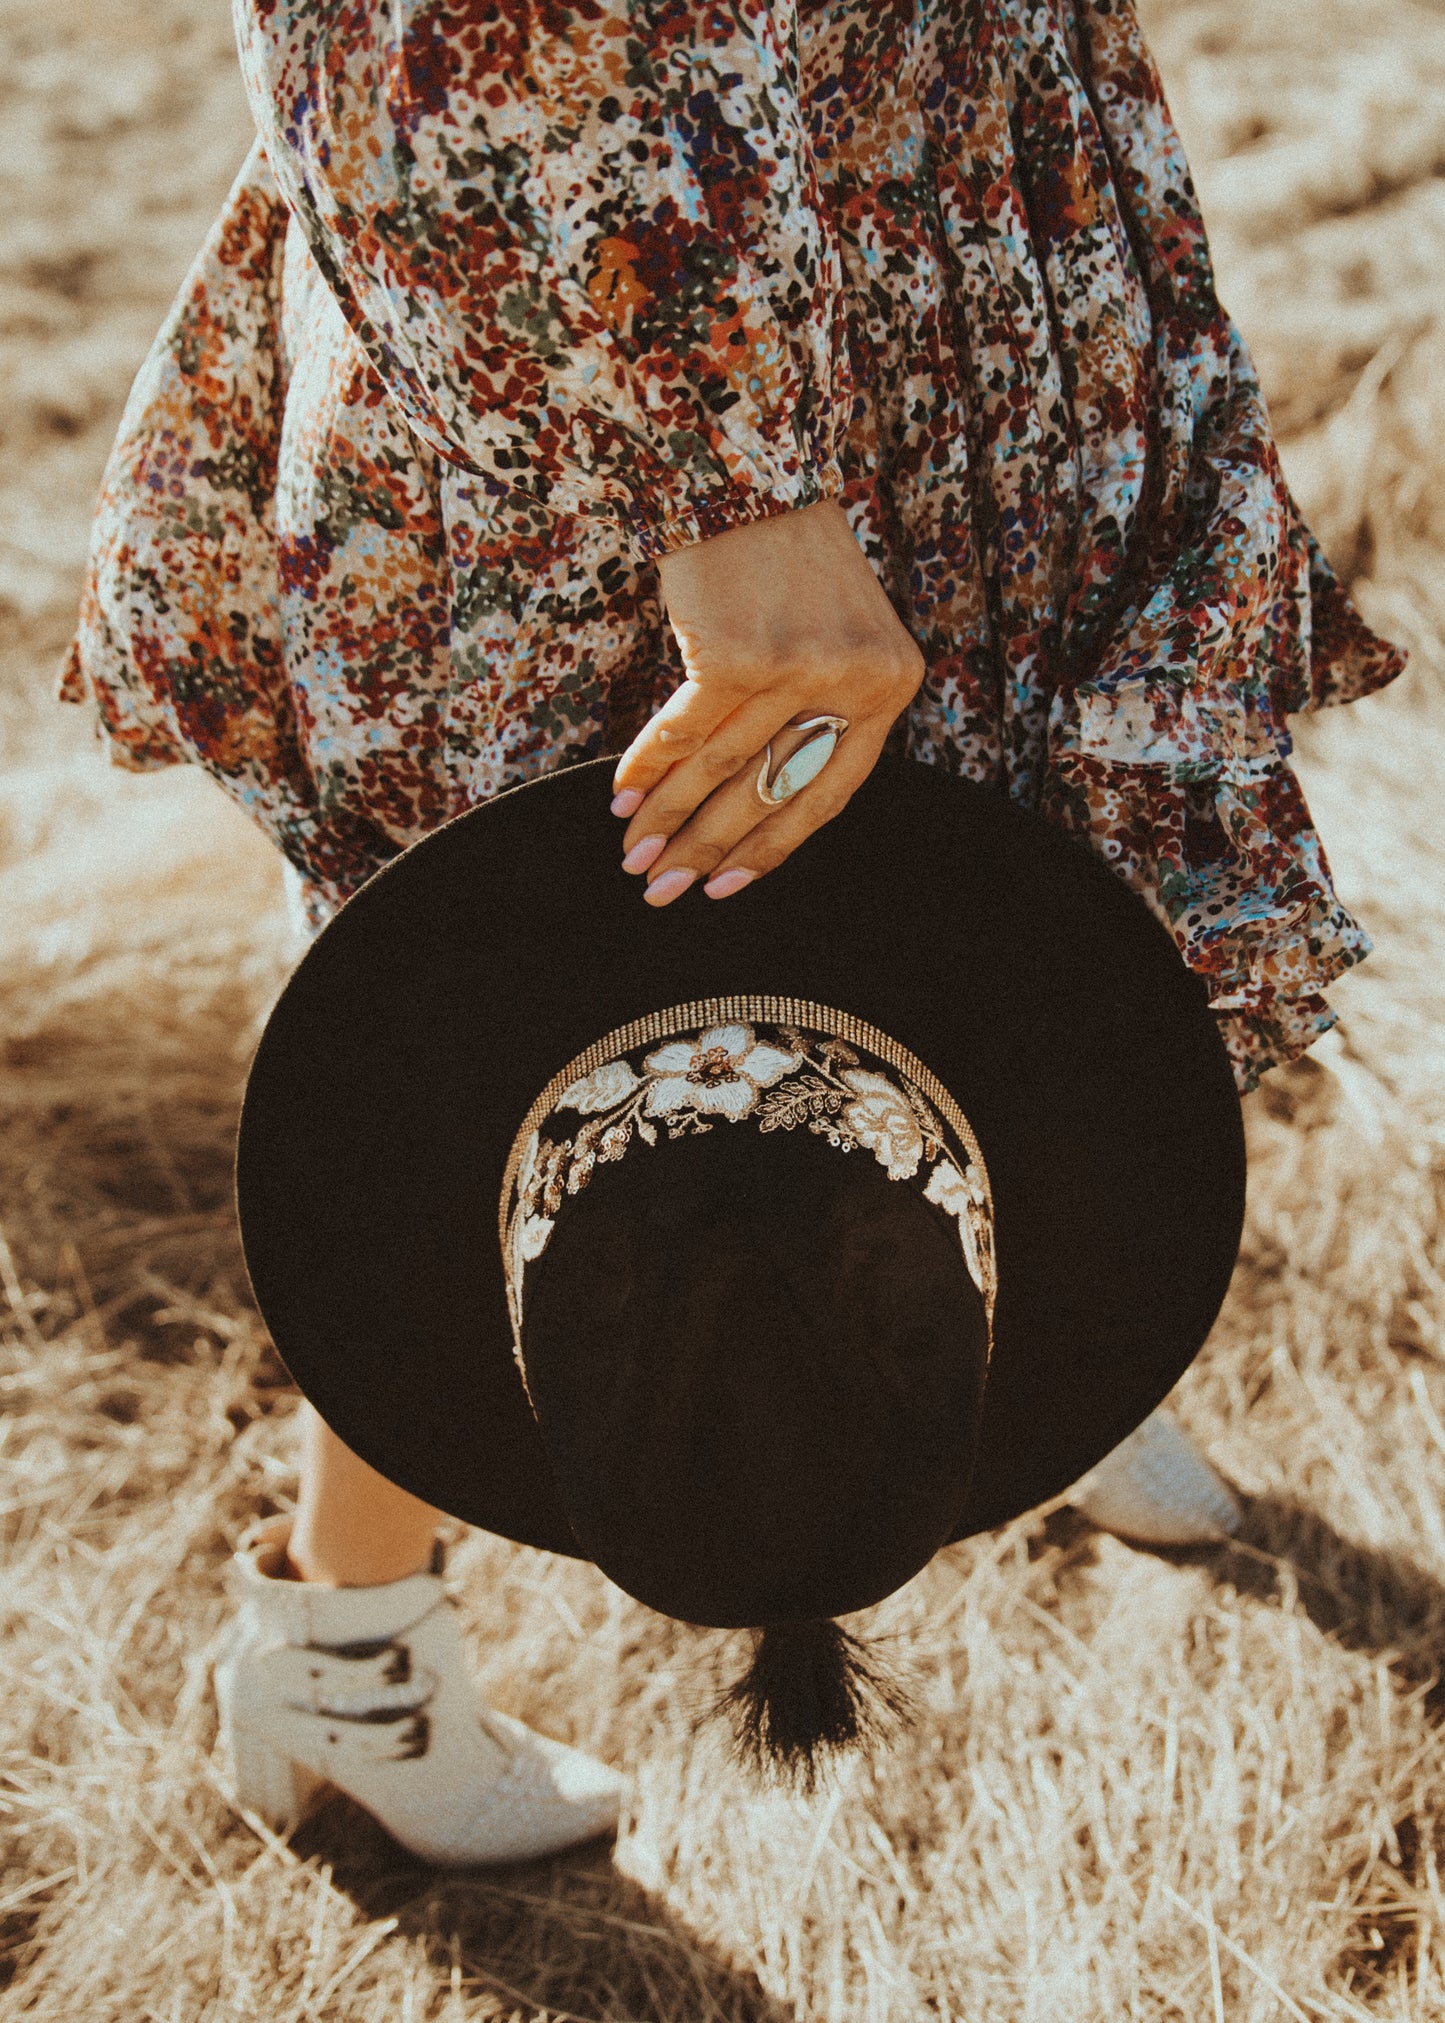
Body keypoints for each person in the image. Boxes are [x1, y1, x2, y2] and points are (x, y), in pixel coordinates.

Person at [62, 0, 1403, 1861]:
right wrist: (725, 473)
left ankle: (1009, 1339)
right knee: (532, 1059)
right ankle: (339, 1655)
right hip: (611, 312)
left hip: (969, 233)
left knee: (993, 921)